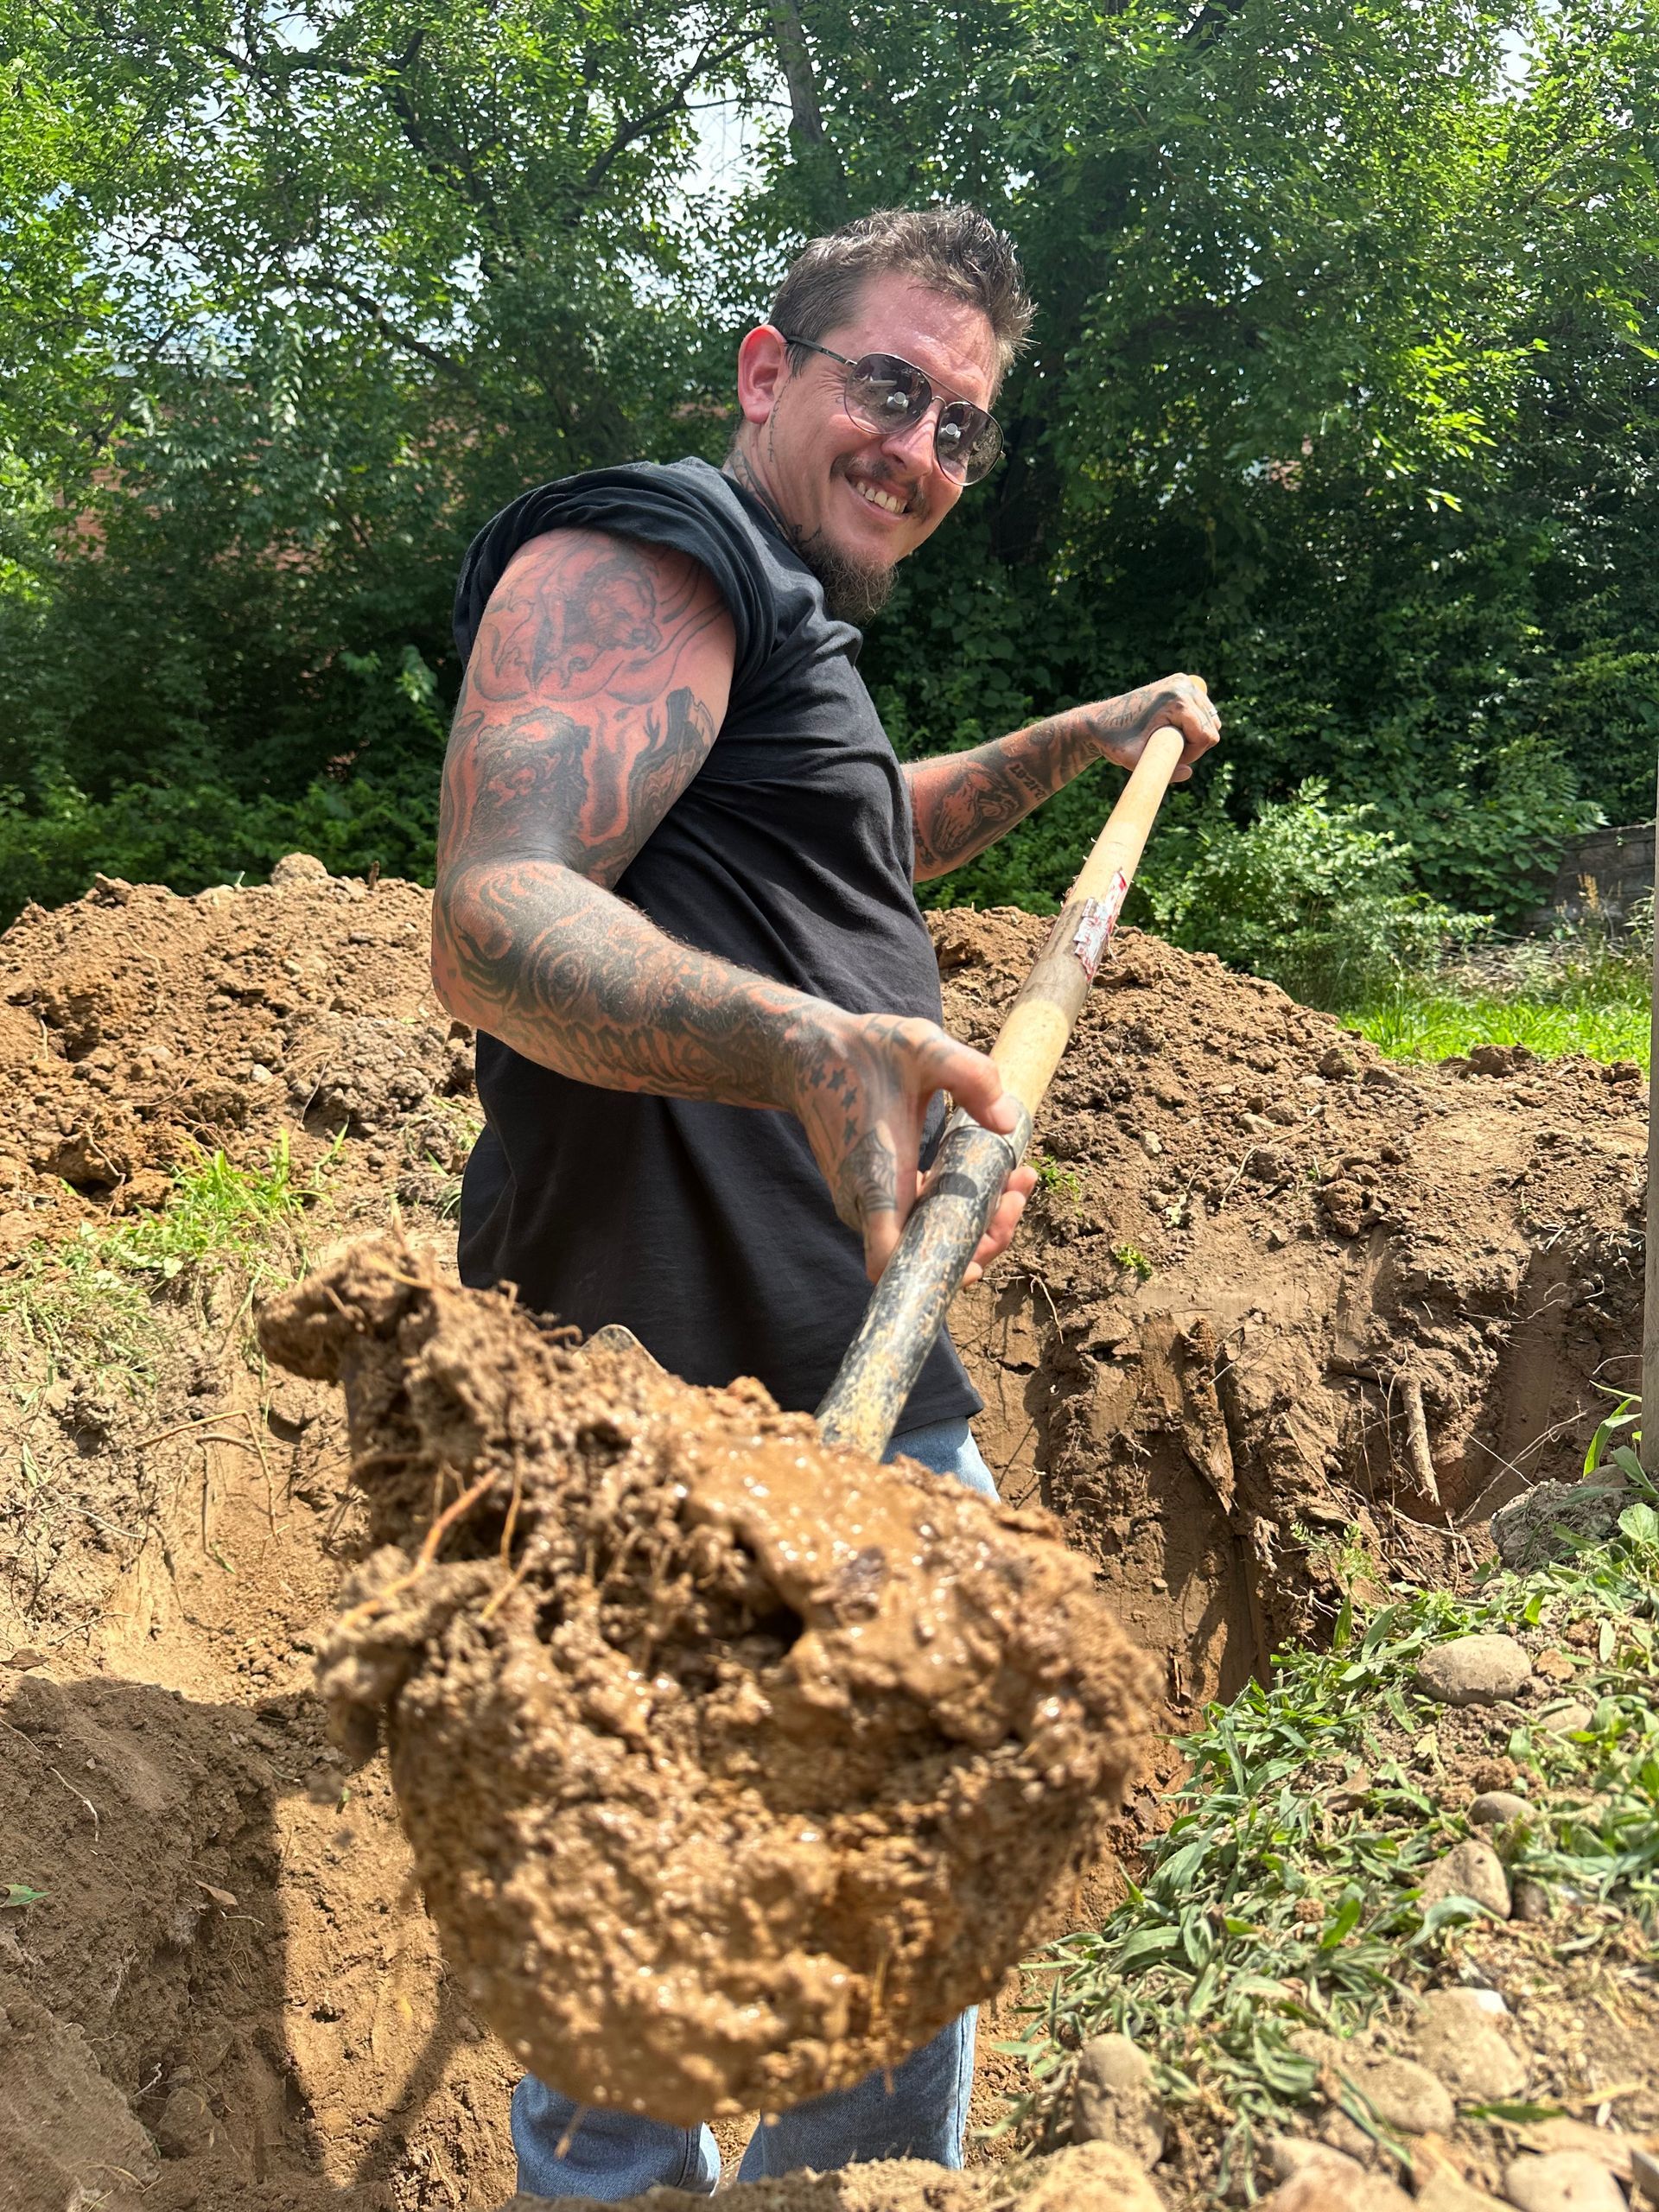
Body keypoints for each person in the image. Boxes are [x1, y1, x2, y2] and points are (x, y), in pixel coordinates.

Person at [431, 204, 1218, 2200]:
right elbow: (496, 917)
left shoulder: (791, 635)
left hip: (871, 1371)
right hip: (638, 1406)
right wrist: (810, 1046)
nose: (925, 452)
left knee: (890, 1941)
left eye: (964, 426)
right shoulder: (650, 552)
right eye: (891, 390)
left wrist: (1078, 737)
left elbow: (865, 832)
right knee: (627, 1992)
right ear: (767, 366)